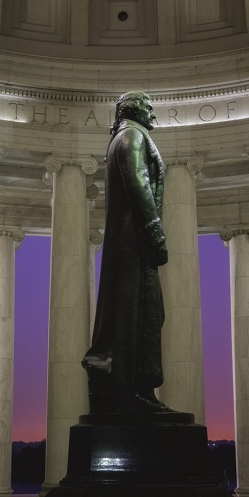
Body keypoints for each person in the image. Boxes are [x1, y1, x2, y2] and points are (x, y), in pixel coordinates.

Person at [82, 91, 174, 414]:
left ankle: (139, 388)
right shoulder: (132, 136)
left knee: (149, 312)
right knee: (135, 315)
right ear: (133, 109)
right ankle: (130, 390)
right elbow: (139, 182)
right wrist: (155, 234)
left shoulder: (124, 137)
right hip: (134, 244)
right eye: (149, 107)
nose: (153, 114)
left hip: (130, 245)